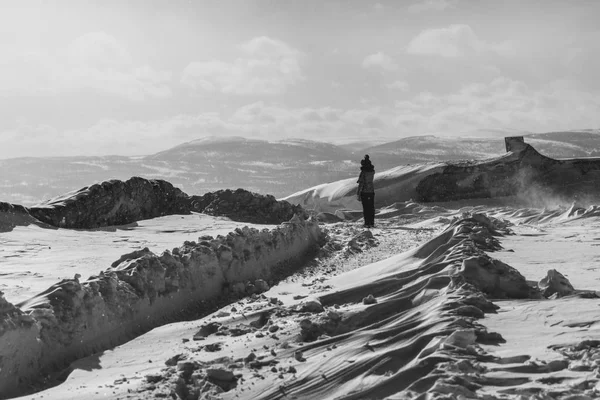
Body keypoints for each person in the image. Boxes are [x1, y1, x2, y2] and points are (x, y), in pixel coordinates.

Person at [356, 155, 375, 228]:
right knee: (371, 207)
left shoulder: (363, 172)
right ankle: (371, 222)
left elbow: (361, 183)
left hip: (364, 192)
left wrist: (358, 193)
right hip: (371, 191)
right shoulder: (372, 171)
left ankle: (367, 223)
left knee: (366, 208)